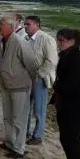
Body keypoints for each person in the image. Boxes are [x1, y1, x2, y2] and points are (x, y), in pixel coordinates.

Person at [0, 16, 38, 159]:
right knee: (7, 117)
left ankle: (19, 149)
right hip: (6, 86)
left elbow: (32, 64)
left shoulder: (19, 41)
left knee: (19, 119)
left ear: (11, 26)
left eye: (1, 24)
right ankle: (9, 142)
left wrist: (31, 84)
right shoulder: (1, 41)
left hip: (20, 87)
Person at [52, 28, 80, 159]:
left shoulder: (77, 58)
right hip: (65, 104)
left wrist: (57, 84)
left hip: (75, 107)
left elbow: (73, 85)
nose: (59, 43)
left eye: (61, 40)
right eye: (58, 40)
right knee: (66, 138)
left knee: (72, 140)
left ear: (71, 41)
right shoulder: (67, 55)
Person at [24, 16, 58, 145]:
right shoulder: (26, 39)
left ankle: (37, 135)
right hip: (27, 77)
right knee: (26, 106)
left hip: (40, 79)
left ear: (37, 25)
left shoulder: (46, 39)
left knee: (39, 109)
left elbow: (51, 61)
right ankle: (25, 131)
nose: (26, 26)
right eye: (25, 24)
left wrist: (39, 74)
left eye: (28, 24)